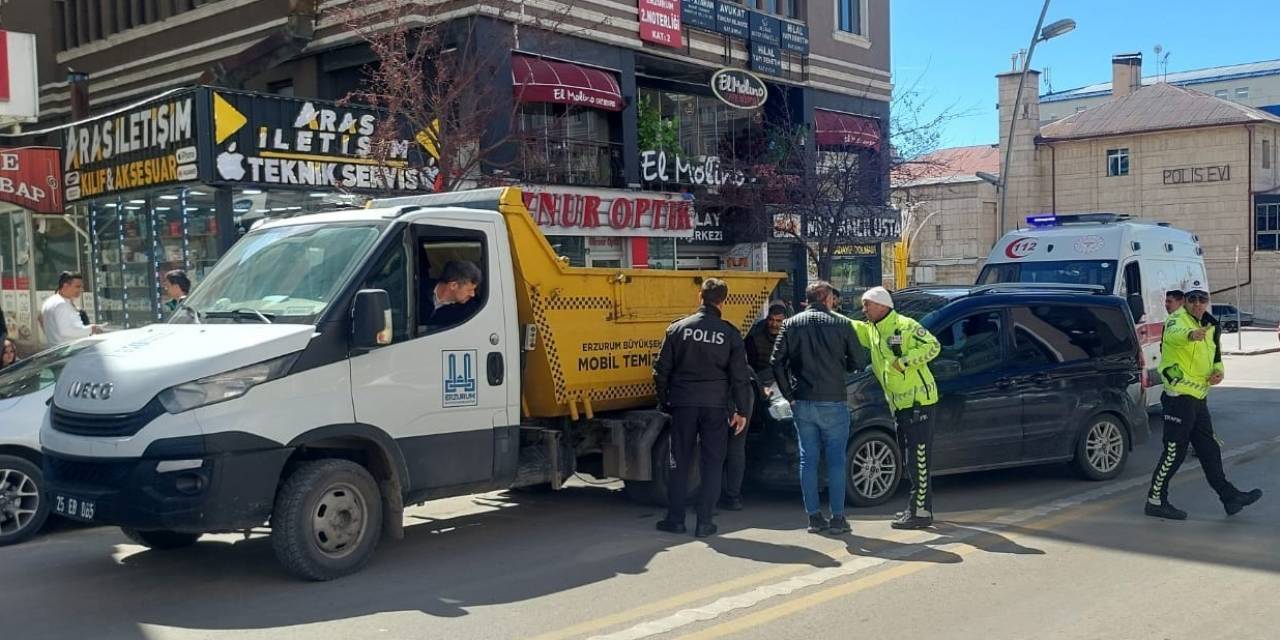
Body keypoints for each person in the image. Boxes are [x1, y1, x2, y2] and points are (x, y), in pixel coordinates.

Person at [1146, 289, 1262, 520]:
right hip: (1178, 396)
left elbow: (1216, 357)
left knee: (1209, 449)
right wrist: (1191, 334)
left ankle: (1229, 497)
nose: (1198, 304)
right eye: (1192, 300)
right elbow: (1176, 334)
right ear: (1185, 303)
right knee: (1174, 451)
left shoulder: (1210, 325)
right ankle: (1155, 500)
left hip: (1198, 396)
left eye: (1202, 300)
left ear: (1208, 302)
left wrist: (1218, 373)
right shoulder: (1176, 320)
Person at [653, 278, 752, 538]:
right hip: (715, 406)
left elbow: (660, 371)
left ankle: (675, 519)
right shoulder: (729, 333)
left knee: (679, 462)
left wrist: (666, 401)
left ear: (700, 296)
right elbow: (740, 377)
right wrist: (742, 411)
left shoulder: (677, 329)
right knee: (712, 462)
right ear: (724, 300)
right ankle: (705, 522)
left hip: (683, 403)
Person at [770, 281, 864, 535]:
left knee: (808, 460)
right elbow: (859, 361)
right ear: (825, 298)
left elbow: (776, 361)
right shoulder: (842, 324)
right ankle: (837, 517)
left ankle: (813, 516)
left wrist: (789, 395)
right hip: (834, 399)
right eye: (833, 297)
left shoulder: (791, 324)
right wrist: (841, 365)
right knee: (835, 460)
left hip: (803, 400)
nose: (835, 301)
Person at [852, 286, 942, 530]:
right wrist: (826, 313)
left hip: (919, 403)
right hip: (900, 405)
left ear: (881, 305)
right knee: (909, 459)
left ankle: (921, 512)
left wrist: (903, 363)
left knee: (919, 460)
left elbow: (933, 346)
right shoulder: (873, 330)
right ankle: (916, 508)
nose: (864, 309)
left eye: (867, 305)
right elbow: (850, 326)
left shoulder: (905, 325)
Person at [721, 301, 788, 512]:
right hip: (755, 384)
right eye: (771, 320)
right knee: (733, 448)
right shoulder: (753, 336)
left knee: (732, 448)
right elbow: (747, 369)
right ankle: (729, 495)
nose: (774, 324)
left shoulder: (789, 334)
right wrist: (760, 390)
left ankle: (730, 495)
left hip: (768, 384)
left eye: (778, 321)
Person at [41, 272, 102, 347]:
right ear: (65, 286)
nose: (81, 289)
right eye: (78, 286)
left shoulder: (51, 301)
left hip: (60, 349)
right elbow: (66, 331)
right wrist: (91, 329)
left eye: (81, 287)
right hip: (69, 351)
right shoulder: (61, 304)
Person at [422, 260, 483, 327]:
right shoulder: (418, 289)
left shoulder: (470, 309)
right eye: (469, 290)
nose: (472, 294)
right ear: (453, 285)